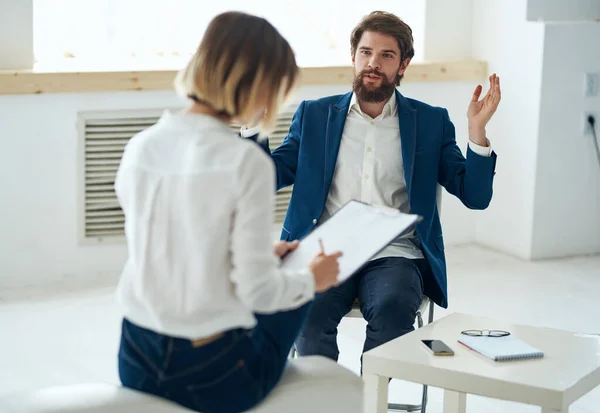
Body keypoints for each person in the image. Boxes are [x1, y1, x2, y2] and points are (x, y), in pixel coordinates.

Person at [241, 10, 501, 366]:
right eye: (365, 53)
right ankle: (326, 397)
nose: (373, 63)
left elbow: (476, 196)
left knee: (394, 307)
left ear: (403, 65)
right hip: (323, 249)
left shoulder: (429, 121)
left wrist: (477, 132)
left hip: (395, 253)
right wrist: (253, 128)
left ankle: (369, 401)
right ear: (353, 57)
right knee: (307, 315)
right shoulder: (314, 115)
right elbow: (264, 179)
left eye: (386, 55)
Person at [114, 11, 343, 413]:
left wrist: (252, 255)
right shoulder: (246, 161)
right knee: (297, 285)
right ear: (257, 85)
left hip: (135, 356)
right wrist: (312, 279)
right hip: (207, 371)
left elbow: (171, 248)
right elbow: (260, 293)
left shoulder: (141, 146)